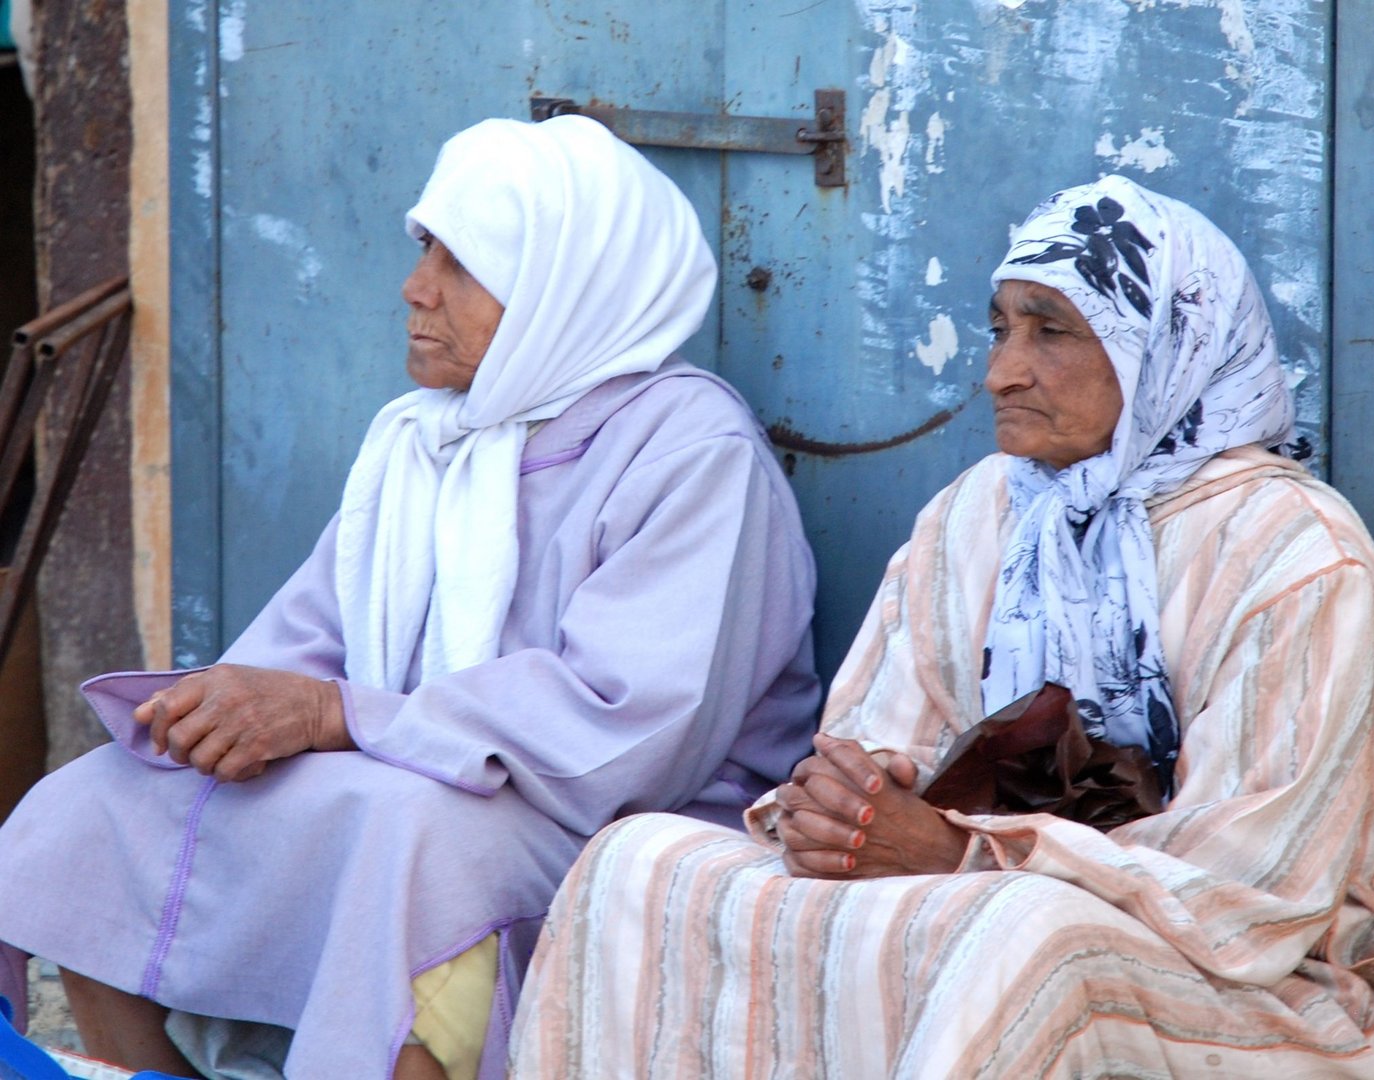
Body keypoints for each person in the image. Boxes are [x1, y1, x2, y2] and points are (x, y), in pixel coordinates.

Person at [509, 175, 1374, 1078]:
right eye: (1000, 329)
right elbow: (884, 736)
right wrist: (851, 800)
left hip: (1256, 978)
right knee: (637, 868)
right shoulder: (979, 512)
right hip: (975, 894)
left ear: (1163, 348)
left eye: (1052, 332)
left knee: (1027, 941)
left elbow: (1258, 886)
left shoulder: (1293, 550)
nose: (1001, 371)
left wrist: (966, 853)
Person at [0, 116, 820, 1080]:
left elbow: (632, 726)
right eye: (423, 247)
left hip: (613, 815)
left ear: (565, 286)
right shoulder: (427, 440)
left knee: (415, 841)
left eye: (461, 261)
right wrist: (221, 711)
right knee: (107, 800)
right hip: (410, 770)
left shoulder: (691, 449)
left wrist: (336, 714)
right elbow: (306, 643)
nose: (415, 286)